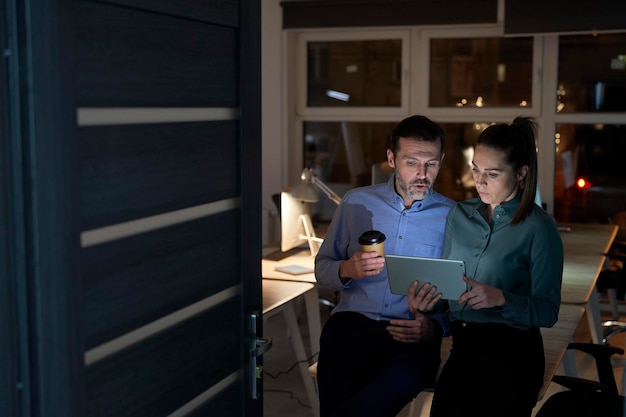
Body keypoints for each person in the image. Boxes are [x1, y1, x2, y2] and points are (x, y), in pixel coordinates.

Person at [414, 117, 563, 417]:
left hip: (513, 355)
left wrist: (502, 298)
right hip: (463, 348)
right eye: (476, 170)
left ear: (521, 173)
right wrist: (428, 302)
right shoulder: (460, 214)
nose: (479, 182)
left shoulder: (540, 228)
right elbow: (448, 291)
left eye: (492, 174)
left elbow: (548, 311)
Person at [314, 115, 455, 417]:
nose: (422, 174)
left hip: (411, 332)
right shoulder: (355, 203)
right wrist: (346, 269)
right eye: (411, 162)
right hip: (352, 324)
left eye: (431, 164)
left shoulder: (454, 218)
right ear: (391, 158)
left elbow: (462, 291)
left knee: (398, 383)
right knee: (337, 394)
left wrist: (434, 327)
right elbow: (321, 269)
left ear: (442, 160)